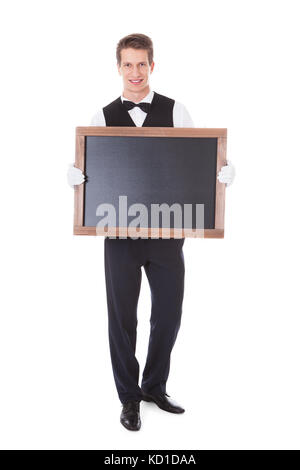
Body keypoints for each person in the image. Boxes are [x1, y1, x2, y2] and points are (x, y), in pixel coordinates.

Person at [68, 33, 235, 431]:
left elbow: (197, 161)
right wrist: (77, 179)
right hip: (118, 234)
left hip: (167, 233)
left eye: (142, 63)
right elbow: (94, 171)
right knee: (122, 319)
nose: (135, 71)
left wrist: (222, 173)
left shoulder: (177, 110)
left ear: (152, 66)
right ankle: (129, 398)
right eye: (128, 64)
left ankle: (154, 386)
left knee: (168, 314)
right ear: (119, 67)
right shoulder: (101, 116)